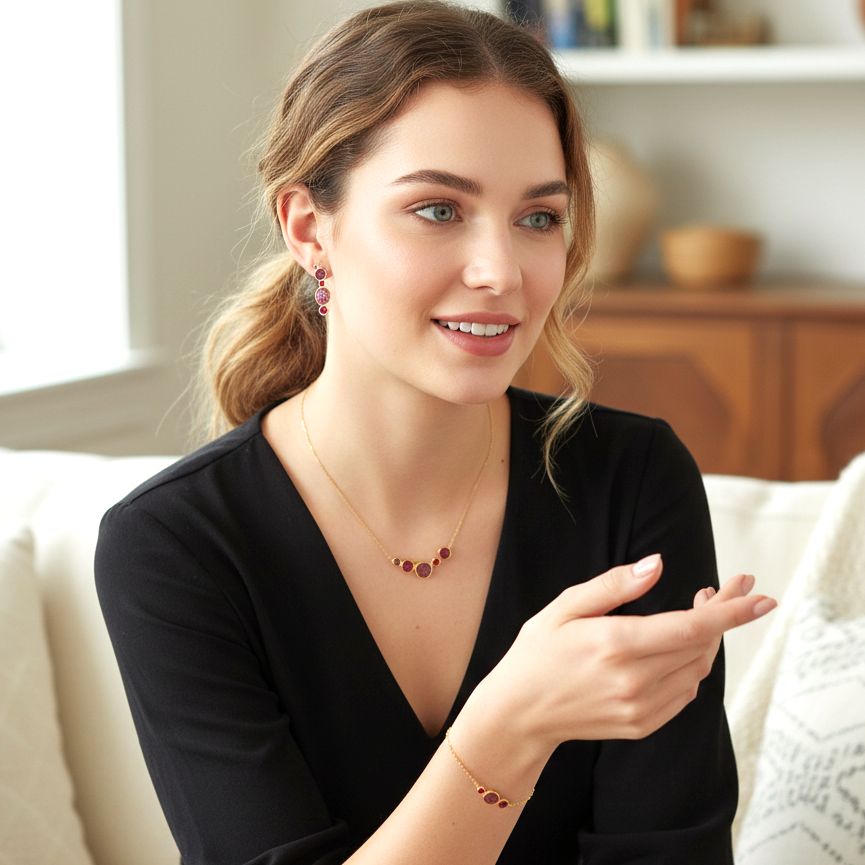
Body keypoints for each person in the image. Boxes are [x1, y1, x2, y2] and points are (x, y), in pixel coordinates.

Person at [95, 3, 777, 863]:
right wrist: (511, 723)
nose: (500, 272)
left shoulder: (631, 478)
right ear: (310, 228)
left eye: (538, 217)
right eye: (437, 210)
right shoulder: (174, 544)